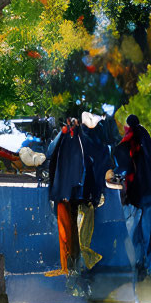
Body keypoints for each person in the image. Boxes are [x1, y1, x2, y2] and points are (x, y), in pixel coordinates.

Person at [112, 113, 151, 280]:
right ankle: (146, 265)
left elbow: (120, 164)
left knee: (133, 231)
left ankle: (135, 265)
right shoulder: (150, 148)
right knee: (147, 231)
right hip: (149, 193)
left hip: (134, 195)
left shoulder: (128, 143)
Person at [45, 117, 86, 276]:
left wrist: (66, 194)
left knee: (67, 232)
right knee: (71, 232)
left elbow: (71, 167)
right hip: (71, 194)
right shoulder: (75, 140)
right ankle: (70, 267)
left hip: (66, 194)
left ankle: (67, 267)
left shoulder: (72, 142)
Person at [76, 112, 110, 272]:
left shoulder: (76, 139)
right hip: (89, 194)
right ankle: (85, 264)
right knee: (85, 231)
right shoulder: (99, 144)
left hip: (78, 192)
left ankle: (82, 265)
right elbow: (102, 168)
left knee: (80, 232)